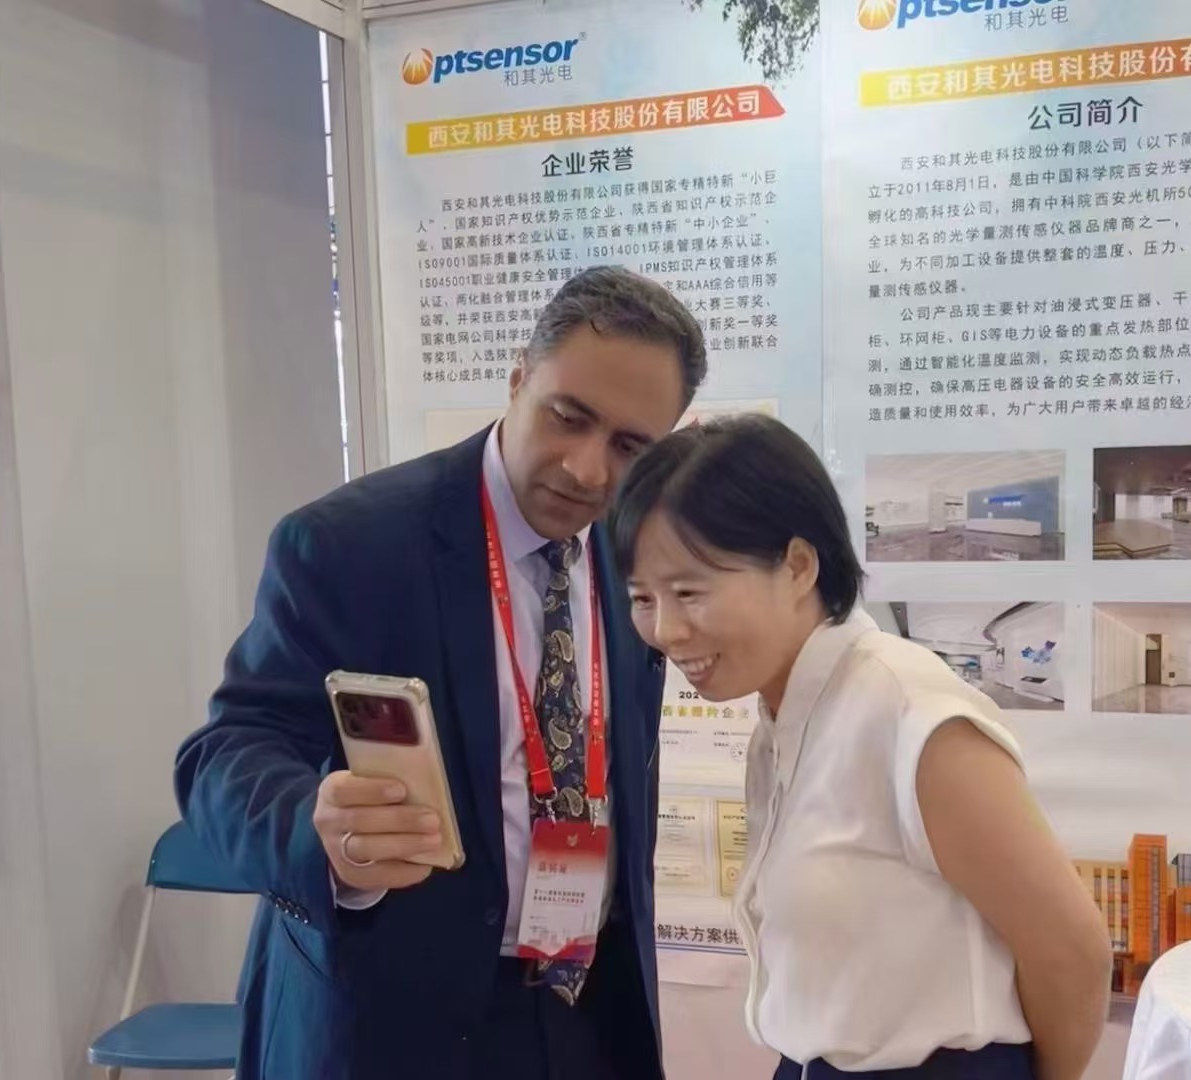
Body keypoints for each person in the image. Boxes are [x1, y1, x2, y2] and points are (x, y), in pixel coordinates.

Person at [174, 266, 706, 1080]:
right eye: (568, 417)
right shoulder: (352, 544)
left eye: (630, 447)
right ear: (518, 378)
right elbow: (224, 754)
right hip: (389, 1017)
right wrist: (316, 830)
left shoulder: (633, 549)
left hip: (586, 1008)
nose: (587, 470)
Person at [610, 415, 1112, 1080]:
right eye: (642, 598)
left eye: (688, 592)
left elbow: (1071, 952)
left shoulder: (909, 712)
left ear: (797, 566)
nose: (665, 629)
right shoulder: (785, 717)